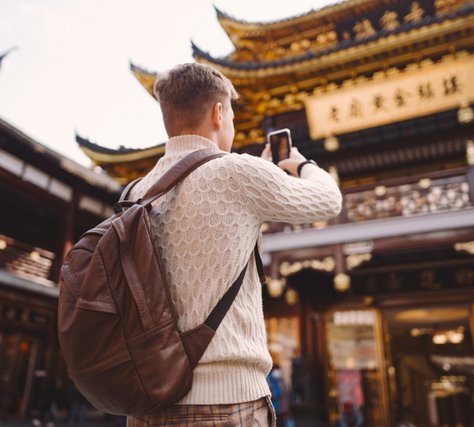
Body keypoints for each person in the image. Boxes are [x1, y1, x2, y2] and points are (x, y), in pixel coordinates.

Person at [124, 63, 342, 426]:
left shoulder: (135, 191)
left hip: (146, 403)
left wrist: (260, 174)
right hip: (226, 402)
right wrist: (301, 165)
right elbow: (327, 200)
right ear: (218, 112)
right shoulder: (237, 172)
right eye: (233, 115)